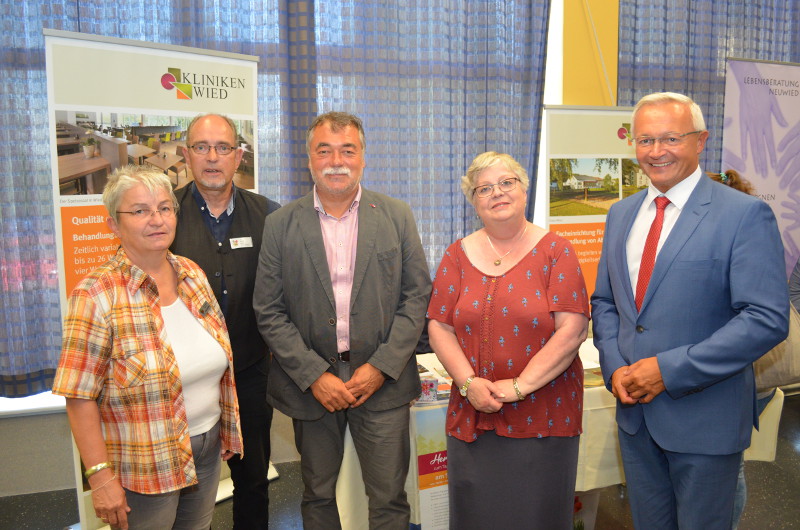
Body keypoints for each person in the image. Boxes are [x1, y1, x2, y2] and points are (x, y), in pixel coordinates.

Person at [591, 92, 789, 529]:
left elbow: (766, 318)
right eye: (645, 140)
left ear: (700, 141)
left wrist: (668, 369)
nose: (656, 151)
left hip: (705, 417)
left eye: (670, 138)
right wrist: (615, 367)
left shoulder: (743, 214)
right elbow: (606, 302)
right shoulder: (621, 214)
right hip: (635, 417)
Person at [253, 111, 431, 529]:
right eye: (325, 150)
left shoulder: (396, 216)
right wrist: (314, 375)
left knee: (389, 497)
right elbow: (269, 309)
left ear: (363, 157)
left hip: (381, 383)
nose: (337, 160)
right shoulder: (280, 224)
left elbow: (416, 295)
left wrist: (381, 367)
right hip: (311, 387)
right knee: (317, 495)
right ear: (309, 159)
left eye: (348, 150)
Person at [52, 166, 243, 529]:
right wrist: (100, 477)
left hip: (204, 447)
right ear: (112, 225)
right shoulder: (95, 295)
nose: (156, 219)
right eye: (140, 211)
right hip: (145, 465)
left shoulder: (192, 275)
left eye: (164, 208)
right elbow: (78, 397)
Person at [427, 151, 590, 529]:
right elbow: (439, 327)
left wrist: (519, 387)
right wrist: (468, 385)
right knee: (476, 516)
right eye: (484, 188)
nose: (497, 193)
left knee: (535, 516)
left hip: (543, 416)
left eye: (506, 183)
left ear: (524, 188)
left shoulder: (557, 251)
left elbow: (573, 329)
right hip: (473, 414)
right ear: (473, 201)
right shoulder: (456, 254)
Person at [171, 113, 280, 529]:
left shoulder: (270, 215)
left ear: (239, 156)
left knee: (252, 481)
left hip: (250, 374)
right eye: (201, 147)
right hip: (181, 381)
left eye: (223, 148)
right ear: (186, 155)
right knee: (184, 488)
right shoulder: (166, 214)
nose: (212, 157)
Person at [709, 169, 780, 529]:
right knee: (730, 463)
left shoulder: (744, 223)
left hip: (744, 374)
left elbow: (761, 316)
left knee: (728, 467)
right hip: (743, 373)